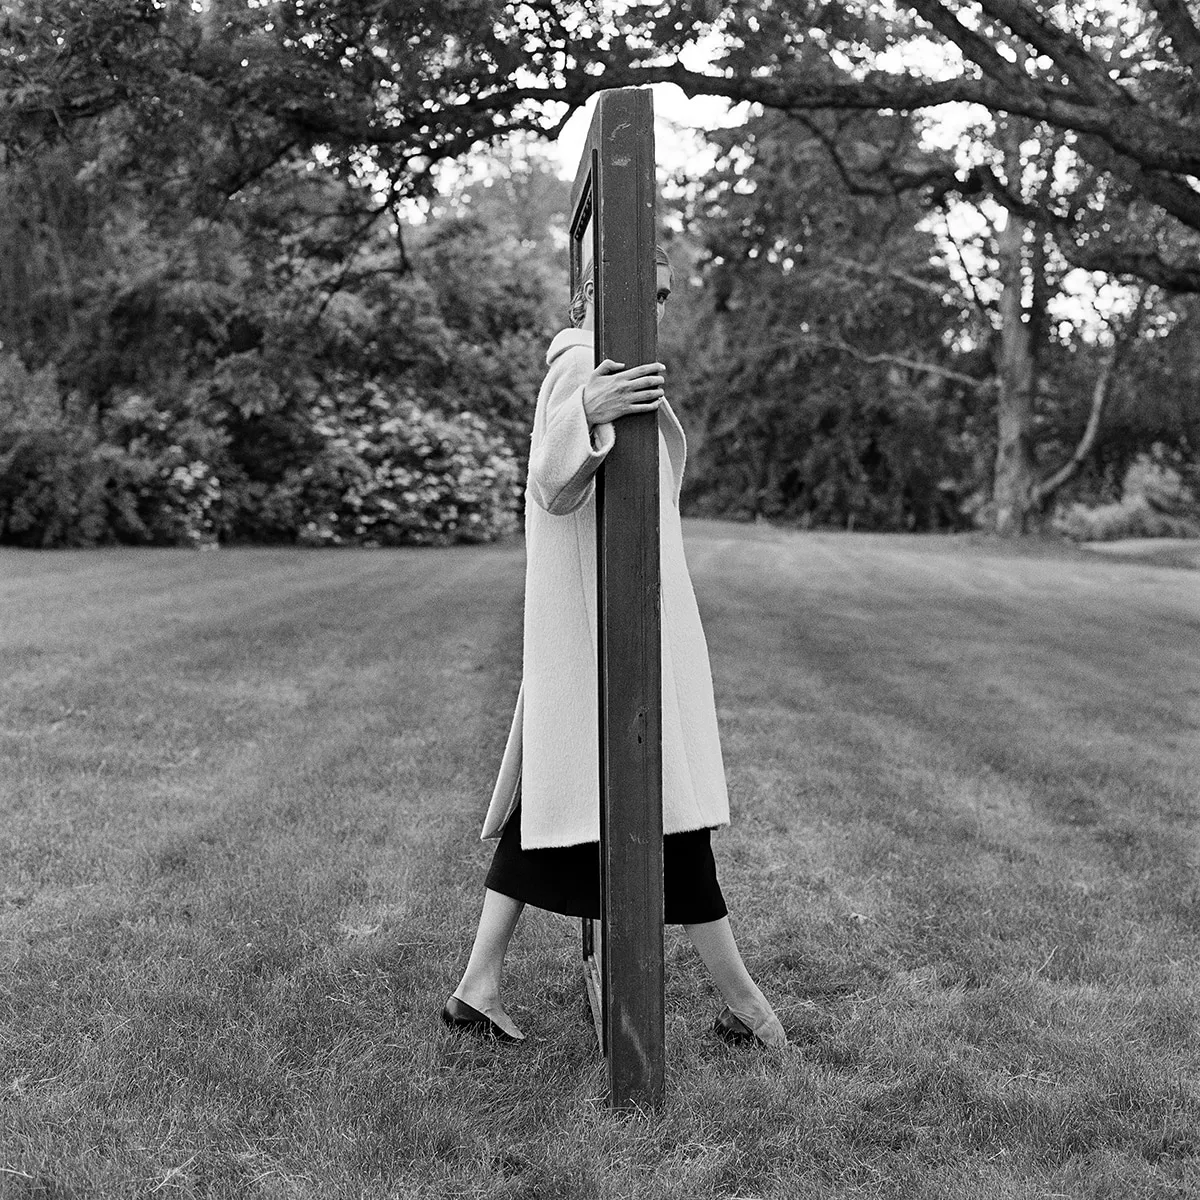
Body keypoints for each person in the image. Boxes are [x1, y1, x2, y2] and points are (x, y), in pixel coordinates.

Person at [442, 246, 787, 1049]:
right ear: (596, 289)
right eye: (648, 289)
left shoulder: (613, 361)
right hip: (607, 638)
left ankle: (478, 982)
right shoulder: (577, 358)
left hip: (619, 627)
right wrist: (586, 407)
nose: (658, 306)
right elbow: (550, 476)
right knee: (670, 808)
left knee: (562, 811)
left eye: (666, 295)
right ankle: (746, 1004)